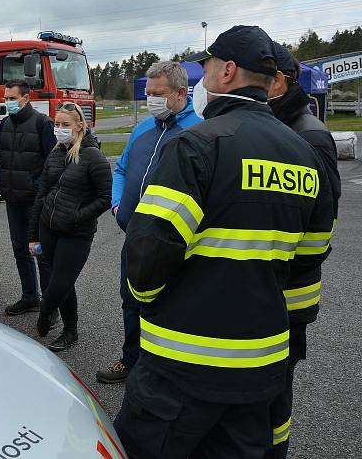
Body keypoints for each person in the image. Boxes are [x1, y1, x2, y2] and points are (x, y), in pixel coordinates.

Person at [113, 26, 335, 457]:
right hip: (261, 364)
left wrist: (147, 299)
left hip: (181, 365)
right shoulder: (303, 151)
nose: (203, 77)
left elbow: (150, 248)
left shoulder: (195, 145)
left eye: (207, 66)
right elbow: (311, 255)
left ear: (227, 71)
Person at [97, 61, 202, 384]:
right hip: (134, 239)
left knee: (170, 306)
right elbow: (122, 170)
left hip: (174, 244)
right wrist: (117, 206)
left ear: (181, 93)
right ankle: (132, 359)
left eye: (158, 94)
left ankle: (168, 369)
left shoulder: (198, 132)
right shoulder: (143, 129)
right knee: (130, 300)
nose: (151, 100)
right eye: (148, 94)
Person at [263, 43, 341, 458]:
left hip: (289, 296)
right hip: (270, 293)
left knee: (276, 388)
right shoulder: (282, 127)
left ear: (278, 80)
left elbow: (321, 229)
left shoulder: (308, 135)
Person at [28, 102, 112, 351]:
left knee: (59, 285)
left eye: (65, 125)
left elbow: (105, 197)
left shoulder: (92, 156)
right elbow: (41, 194)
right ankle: (70, 330)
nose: (60, 129)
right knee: (61, 283)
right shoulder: (55, 153)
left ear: (79, 126)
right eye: (57, 124)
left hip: (76, 233)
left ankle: (45, 313)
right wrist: (33, 234)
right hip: (48, 228)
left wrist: (77, 216)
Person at [0, 80, 55, 315]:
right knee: (20, 249)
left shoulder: (43, 123)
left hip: (35, 201)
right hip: (13, 200)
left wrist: (39, 188)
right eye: (5, 98)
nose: (8, 102)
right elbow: (1, 158)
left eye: (12, 98)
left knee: (39, 252)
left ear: (26, 98)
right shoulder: (4, 125)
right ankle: (30, 296)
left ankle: (50, 305)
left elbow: (53, 163)